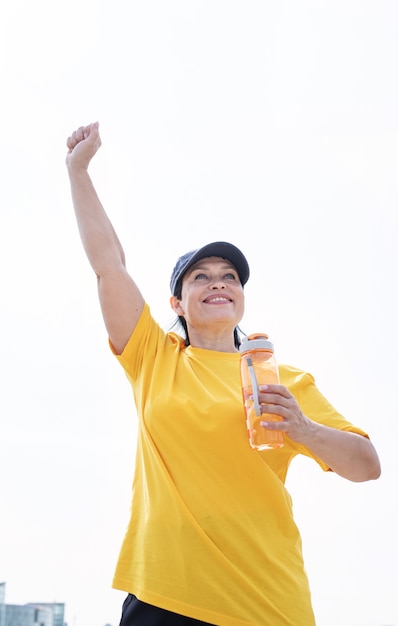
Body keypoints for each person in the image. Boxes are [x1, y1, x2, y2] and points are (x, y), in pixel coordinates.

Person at [66, 122, 381, 626]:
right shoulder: (153, 356)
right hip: (164, 596)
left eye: (230, 277)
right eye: (201, 277)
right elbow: (109, 265)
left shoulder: (281, 378)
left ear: (241, 297)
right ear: (178, 302)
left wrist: (302, 429)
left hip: (266, 603)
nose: (219, 283)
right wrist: (78, 171)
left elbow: (366, 465)